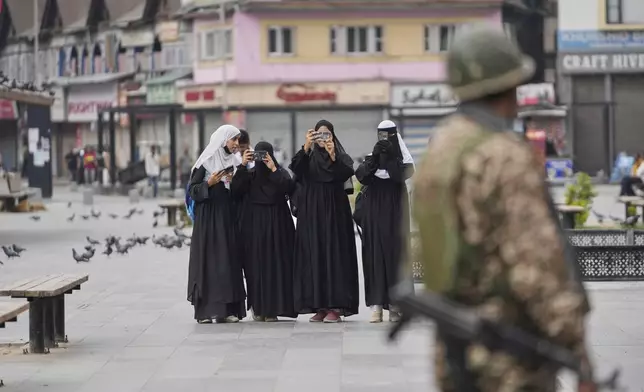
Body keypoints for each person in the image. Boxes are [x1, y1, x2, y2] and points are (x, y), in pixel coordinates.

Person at [411, 26, 595, 391]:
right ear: (511, 87)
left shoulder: (439, 151)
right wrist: (578, 353)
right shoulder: (504, 155)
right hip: (509, 356)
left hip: (453, 350)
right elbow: (537, 267)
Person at [289, 119, 359, 323]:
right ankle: (318, 305)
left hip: (334, 212)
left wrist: (332, 154)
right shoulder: (308, 155)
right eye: (319, 134)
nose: (323, 138)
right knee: (314, 255)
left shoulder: (339, 156)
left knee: (333, 255)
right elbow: (296, 168)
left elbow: (346, 172)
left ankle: (335, 307)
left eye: (327, 134)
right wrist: (307, 145)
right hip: (311, 212)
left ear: (333, 136)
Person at [355, 120, 415, 323]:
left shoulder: (403, 160)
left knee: (395, 255)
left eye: (388, 135)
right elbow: (362, 176)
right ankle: (377, 305)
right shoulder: (373, 157)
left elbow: (401, 175)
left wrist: (389, 159)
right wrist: (376, 157)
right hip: (374, 213)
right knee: (375, 254)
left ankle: (396, 305)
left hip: (396, 213)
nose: (385, 140)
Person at [187, 124, 246, 324]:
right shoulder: (206, 162)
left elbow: (240, 193)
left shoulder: (235, 162)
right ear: (223, 140)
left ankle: (226, 310)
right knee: (208, 262)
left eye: (238, 140)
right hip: (207, 221)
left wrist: (234, 179)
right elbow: (193, 191)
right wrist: (209, 184)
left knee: (226, 261)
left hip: (227, 219)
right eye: (234, 140)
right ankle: (205, 311)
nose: (236, 144)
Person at [231, 141, 297, 322]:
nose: (261, 159)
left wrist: (274, 168)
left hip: (278, 227)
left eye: (265, 155)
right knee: (255, 268)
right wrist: (243, 165)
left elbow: (289, 188)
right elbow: (235, 190)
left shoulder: (279, 173)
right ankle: (259, 307)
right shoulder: (249, 175)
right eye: (258, 155)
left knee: (277, 267)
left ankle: (274, 308)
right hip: (254, 228)